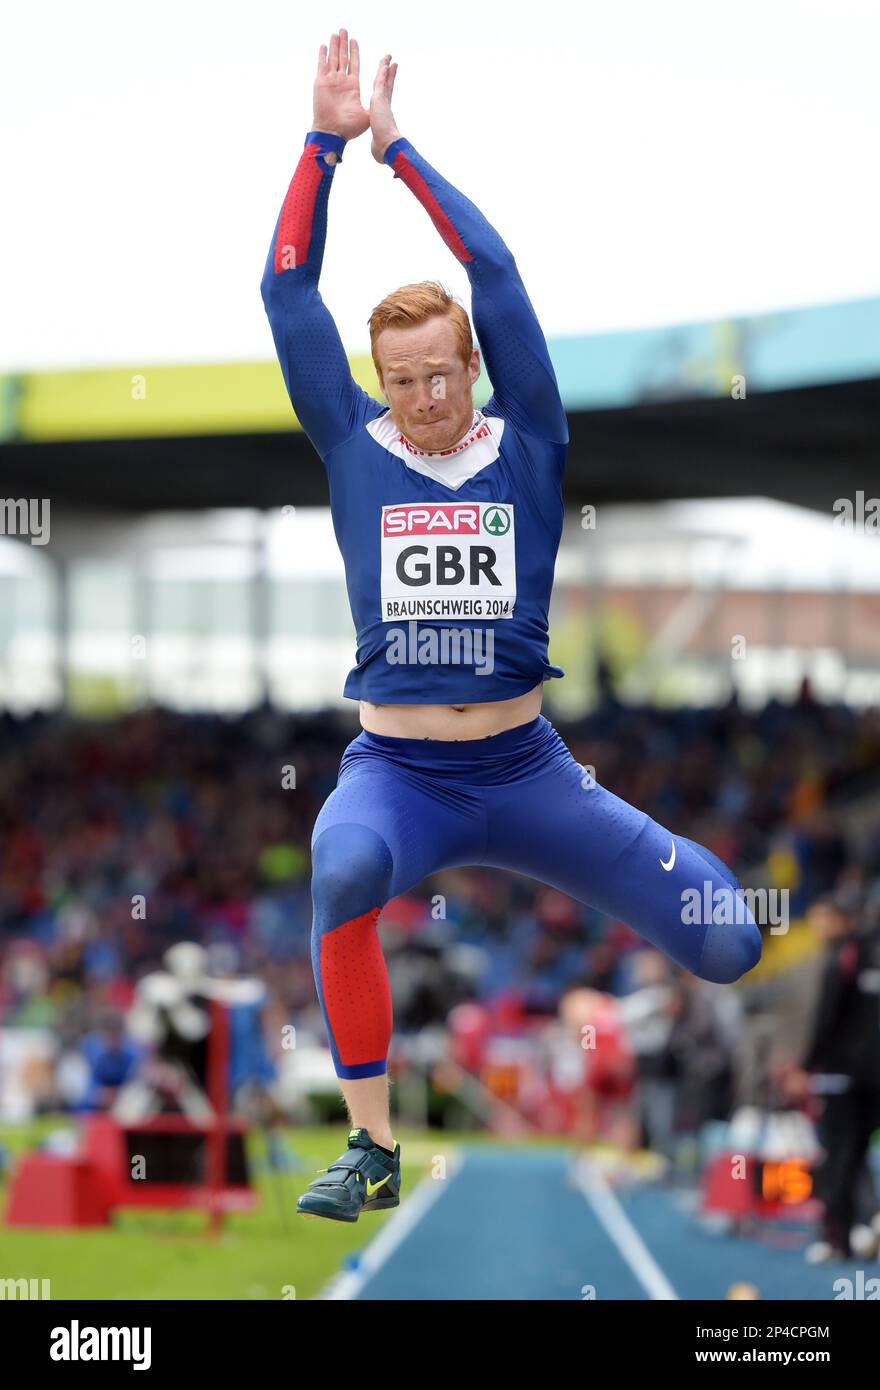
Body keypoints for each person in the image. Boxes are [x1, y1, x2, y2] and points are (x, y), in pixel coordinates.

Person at [261, 28, 762, 1222]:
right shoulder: (351, 445)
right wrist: (319, 152)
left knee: (730, 940)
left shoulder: (527, 438)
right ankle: (371, 1144)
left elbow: (497, 270)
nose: (425, 399)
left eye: (442, 372)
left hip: (529, 772)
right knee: (339, 865)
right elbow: (286, 290)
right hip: (398, 774)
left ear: (473, 367)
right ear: (375, 383)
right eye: (402, 378)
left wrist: (399, 154)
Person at [782, 889, 880, 1262]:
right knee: (856, 1154)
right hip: (872, 1074)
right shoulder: (869, 952)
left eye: (824, 917)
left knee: (837, 1154)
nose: (818, 926)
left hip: (841, 1074)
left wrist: (805, 1066)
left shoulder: (844, 957)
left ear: (843, 919)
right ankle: (860, 1224)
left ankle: (837, 1236)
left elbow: (828, 1018)